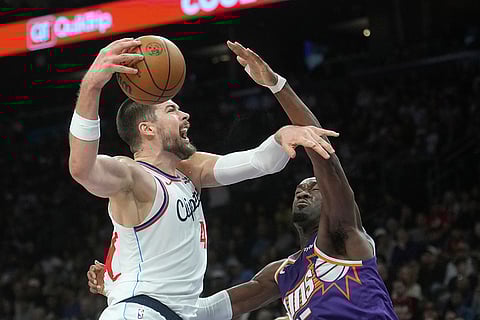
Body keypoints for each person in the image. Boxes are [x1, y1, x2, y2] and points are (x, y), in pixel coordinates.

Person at [70, 37, 338, 320]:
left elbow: (260, 162)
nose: (185, 115)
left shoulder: (190, 171)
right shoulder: (134, 175)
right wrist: (92, 86)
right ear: (147, 129)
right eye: (171, 110)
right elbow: (82, 169)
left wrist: (282, 134)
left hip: (173, 312)